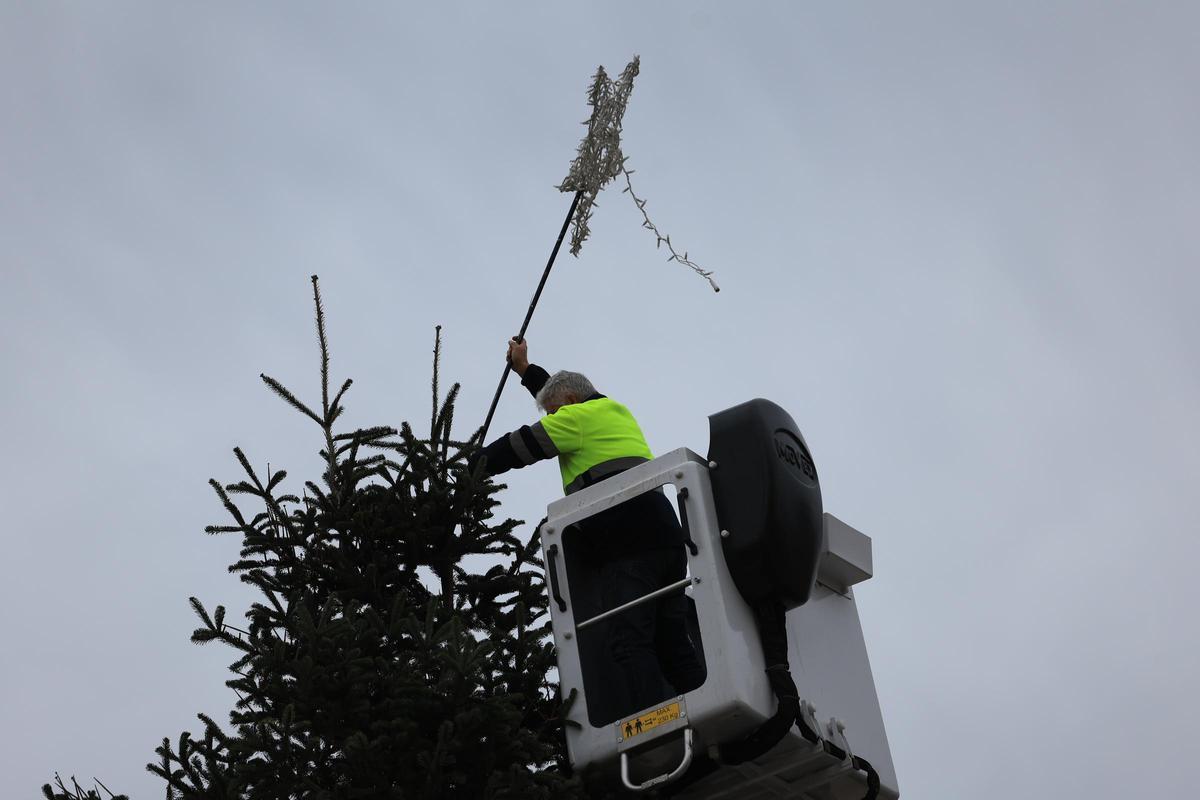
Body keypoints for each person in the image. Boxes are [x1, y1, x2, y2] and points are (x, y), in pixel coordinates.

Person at [473, 338, 705, 715]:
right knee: (672, 640)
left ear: (567, 405)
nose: (551, 420)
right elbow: (566, 394)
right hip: (666, 538)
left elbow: (520, 445)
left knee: (629, 640)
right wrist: (526, 370)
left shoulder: (574, 419)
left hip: (627, 543)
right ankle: (704, 711)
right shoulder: (613, 410)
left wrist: (469, 467)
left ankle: (653, 731)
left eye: (553, 413)